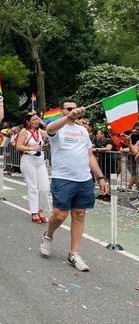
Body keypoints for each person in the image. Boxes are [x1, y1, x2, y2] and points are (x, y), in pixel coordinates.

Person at [40, 99, 108, 272]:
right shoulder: (57, 128)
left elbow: (90, 155)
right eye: (68, 109)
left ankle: (73, 253)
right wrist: (69, 117)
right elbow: (49, 130)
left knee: (79, 214)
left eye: (74, 108)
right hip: (62, 178)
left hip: (84, 179)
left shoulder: (83, 131)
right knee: (59, 215)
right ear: (62, 111)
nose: (72, 111)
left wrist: (100, 177)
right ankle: (48, 236)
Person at [16, 113, 52, 223]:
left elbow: (51, 133)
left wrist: (43, 123)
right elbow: (18, 146)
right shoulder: (24, 131)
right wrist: (32, 148)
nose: (36, 121)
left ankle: (41, 210)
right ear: (28, 122)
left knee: (44, 187)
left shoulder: (39, 131)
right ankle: (34, 212)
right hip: (28, 161)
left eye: (37, 119)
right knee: (33, 187)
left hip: (40, 161)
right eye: (34, 120)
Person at [93, 128, 116, 201]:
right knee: (101, 177)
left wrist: (96, 149)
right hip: (102, 161)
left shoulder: (108, 140)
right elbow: (92, 146)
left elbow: (109, 148)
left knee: (109, 178)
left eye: (98, 133)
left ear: (102, 135)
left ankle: (112, 194)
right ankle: (104, 193)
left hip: (110, 161)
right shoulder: (98, 141)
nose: (97, 135)